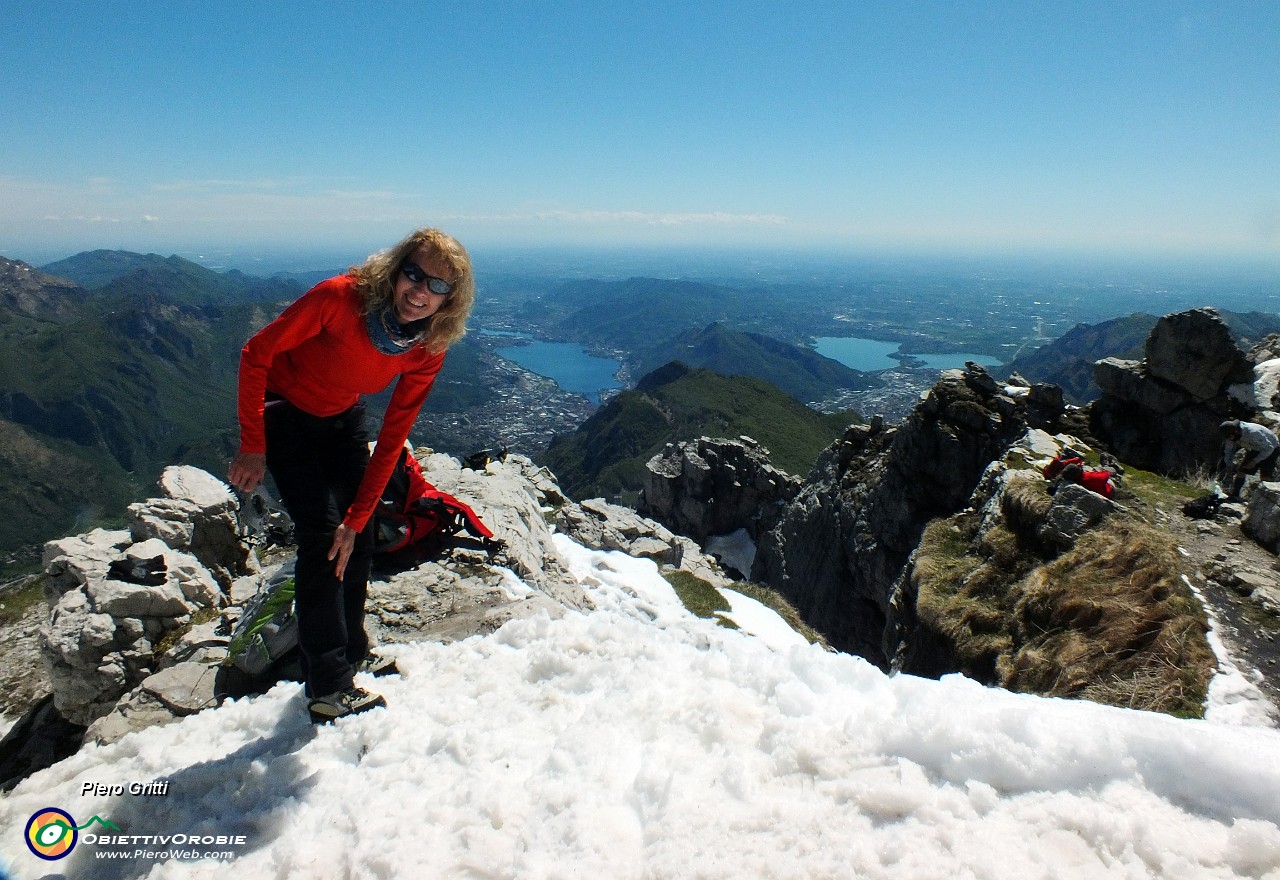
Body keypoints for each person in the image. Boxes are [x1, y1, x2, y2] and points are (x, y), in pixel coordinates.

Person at [227, 228, 474, 723]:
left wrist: (360, 513)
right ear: (396, 269)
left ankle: (350, 650)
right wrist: (254, 444)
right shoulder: (340, 299)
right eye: (414, 274)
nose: (420, 292)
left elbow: (394, 431)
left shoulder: (427, 346)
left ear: (450, 300)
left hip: (340, 417)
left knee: (356, 533)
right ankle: (328, 687)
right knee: (322, 535)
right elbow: (257, 353)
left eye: (438, 287)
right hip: (284, 411)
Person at [1219, 419, 1280, 499]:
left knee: (1265, 476)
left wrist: (1255, 461)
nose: (1229, 439)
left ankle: (1264, 499)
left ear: (1236, 432)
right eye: (1227, 438)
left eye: (1230, 437)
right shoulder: (1230, 437)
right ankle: (1235, 495)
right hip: (1254, 447)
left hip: (1271, 448)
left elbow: (1269, 448)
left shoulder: (1253, 433)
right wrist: (1228, 465)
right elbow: (1228, 451)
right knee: (1242, 471)